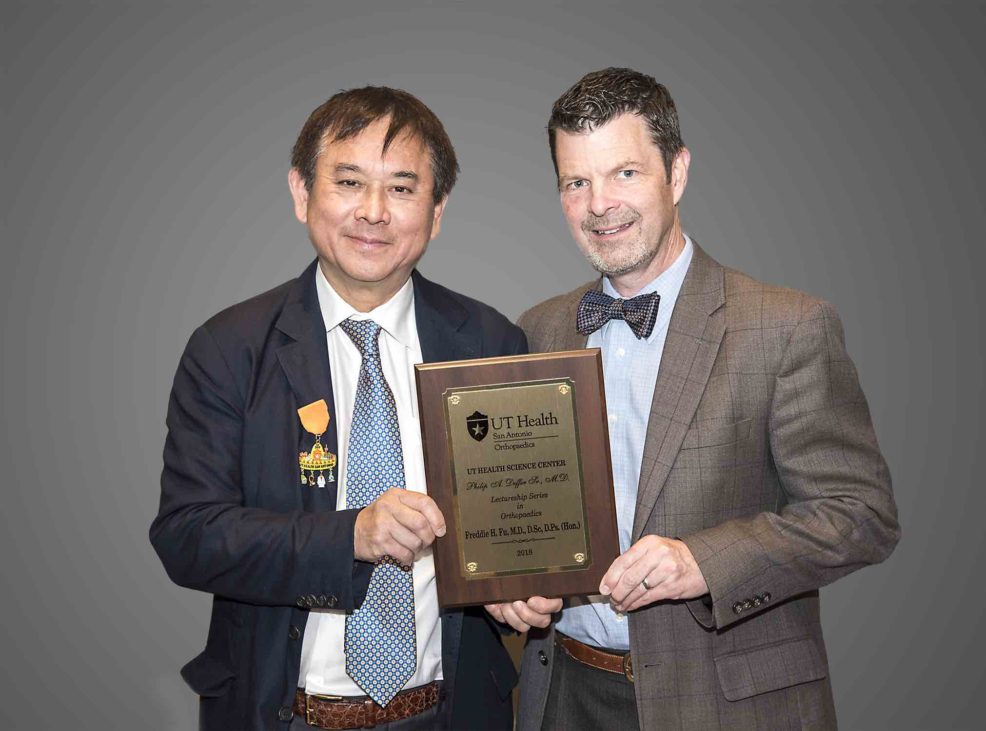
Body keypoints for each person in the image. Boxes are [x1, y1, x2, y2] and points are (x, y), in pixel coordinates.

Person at [485, 67, 900, 730]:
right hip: (561, 692)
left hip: (725, 701)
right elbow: (517, 512)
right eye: (576, 182)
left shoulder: (786, 325)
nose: (600, 204)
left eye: (624, 173)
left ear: (676, 173)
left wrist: (700, 560)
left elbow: (861, 515)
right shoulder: (534, 330)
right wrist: (505, 586)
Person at [151, 86, 525, 731]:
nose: (374, 212)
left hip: (452, 713)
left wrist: (525, 581)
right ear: (302, 193)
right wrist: (350, 536)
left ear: (437, 211)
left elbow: (513, 522)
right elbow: (188, 536)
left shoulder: (490, 344)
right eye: (349, 181)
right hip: (284, 715)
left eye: (403, 189)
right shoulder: (230, 348)